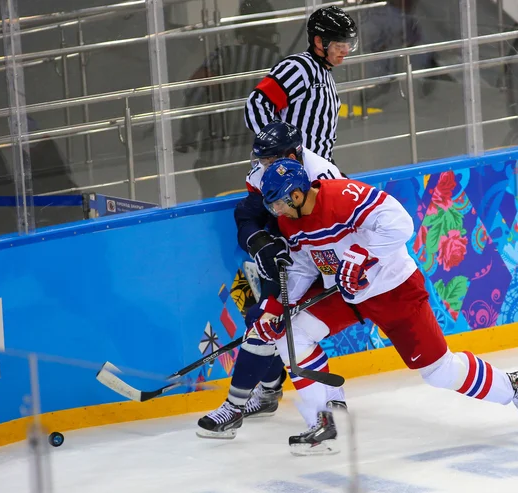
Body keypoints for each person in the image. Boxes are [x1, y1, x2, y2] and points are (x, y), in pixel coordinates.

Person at [246, 158, 518, 456]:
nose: (277, 211)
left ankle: (515, 385)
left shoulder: (342, 195)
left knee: (438, 372)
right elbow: (302, 267)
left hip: (394, 290)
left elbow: (400, 223)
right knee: (294, 332)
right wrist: (276, 309)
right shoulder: (290, 221)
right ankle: (323, 422)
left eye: (278, 203)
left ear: (297, 194)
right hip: (347, 294)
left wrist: (363, 254)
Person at [196, 121, 344, 439]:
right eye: (261, 161)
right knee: (262, 321)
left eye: (268, 160)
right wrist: (260, 243)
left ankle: (312, 398)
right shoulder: (267, 175)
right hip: (288, 263)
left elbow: (340, 224)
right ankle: (262, 395)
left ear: (292, 154)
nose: (263, 168)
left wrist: (332, 270)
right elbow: (247, 216)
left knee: (274, 326)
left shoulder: (323, 175)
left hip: (321, 263)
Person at [174, 0, 284, 198]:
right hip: (260, 163)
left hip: (215, 161)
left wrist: (187, 136)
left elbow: (196, 93)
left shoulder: (224, 55)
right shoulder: (280, 65)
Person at [244, 6, 358, 162]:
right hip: (295, 169)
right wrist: (278, 151)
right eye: (339, 45)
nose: (346, 51)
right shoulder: (299, 68)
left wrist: (328, 166)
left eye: (349, 44)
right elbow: (257, 103)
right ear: (319, 41)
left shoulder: (323, 72)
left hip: (316, 166)